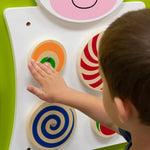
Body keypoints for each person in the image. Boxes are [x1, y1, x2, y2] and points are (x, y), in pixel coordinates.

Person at [27, 9, 150, 150]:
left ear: (122, 108)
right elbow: (112, 119)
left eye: (103, 83)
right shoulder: (142, 130)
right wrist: (65, 93)